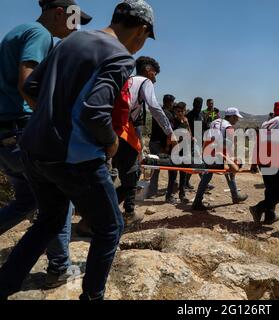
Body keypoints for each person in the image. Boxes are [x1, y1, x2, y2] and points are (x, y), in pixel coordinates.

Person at [0, 0, 156, 301]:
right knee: (110, 228)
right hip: (74, 156)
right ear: (142, 30)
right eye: (145, 38)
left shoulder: (72, 41)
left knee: (50, 220)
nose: (140, 46)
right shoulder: (119, 56)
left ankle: (5, 284)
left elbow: (31, 87)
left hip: (33, 147)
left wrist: (50, 119)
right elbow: (94, 113)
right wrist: (111, 142)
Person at [0, 0, 92, 289]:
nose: (76, 28)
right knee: (59, 203)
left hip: (6, 136)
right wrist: (54, 125)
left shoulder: (18, 31)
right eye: (74, 20)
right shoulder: (40, 34)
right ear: (58, 13)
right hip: (23, 130)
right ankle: (59, 268)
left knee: (27, 201)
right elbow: (28, 85)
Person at [112, 56, 174, 225]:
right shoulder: (144, 82)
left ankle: (126, 211)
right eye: (154, 74)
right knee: (131, 177)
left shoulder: (128, 81)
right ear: (148, 70)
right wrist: (169, 131)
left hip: (113, 131)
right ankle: (103, 215)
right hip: (123, 131)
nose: (155, 79)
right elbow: (154, 106)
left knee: (127, 175)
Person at [192, 108, 248, 211]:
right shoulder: (229, 127)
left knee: (207, 175)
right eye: (236, 117)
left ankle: (197, 200)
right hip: (215, 156)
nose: (237, 120)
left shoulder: (215, 121)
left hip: (207, 154)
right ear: (231, 116)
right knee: (231, 169)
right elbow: (228, 147)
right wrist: (231, 161)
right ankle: (235, 195)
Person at [148, 94, 176, 197]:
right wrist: (167, 147)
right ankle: (169, 192)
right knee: (171, 168)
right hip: (161, 144)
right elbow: (169, 132)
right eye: (172, 102)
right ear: (169, 103)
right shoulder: (168, 114)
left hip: (153, 142)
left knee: (154, 167)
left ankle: (152, 191)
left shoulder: (158, 112)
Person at [166, 102, 191, 204]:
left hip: (185, 150)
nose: (180, 113)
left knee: (183, 174)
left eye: (182, 111)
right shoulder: (172, 122)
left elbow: (189, 132)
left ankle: (182, 195)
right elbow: (170, 136)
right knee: (173, 174)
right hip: (175, 150)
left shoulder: (186, 120)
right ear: (175, 112)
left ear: (185, 111)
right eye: (178, 111)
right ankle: (169, 196)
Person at [185, 97, 205, 190]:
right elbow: (186, 129)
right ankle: (204, 182)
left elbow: (204, 128)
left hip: (200, 142)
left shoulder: (201, 116)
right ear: (193, 104)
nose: (198, 106)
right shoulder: (189, 115)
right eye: (197, 104)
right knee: (194, 162)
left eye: (200, 104)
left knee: (197, 162)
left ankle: (187, 182)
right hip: (191, 143)